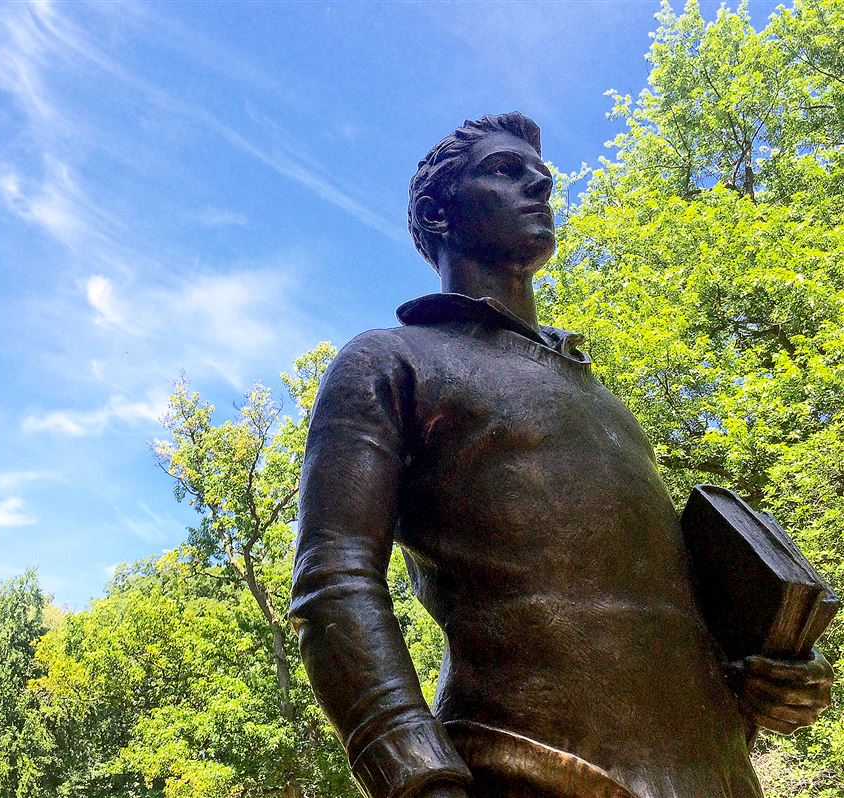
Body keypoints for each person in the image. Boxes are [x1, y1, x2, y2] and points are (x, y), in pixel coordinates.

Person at [288, 112, 833, 798]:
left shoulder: (606, 403)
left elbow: (660, 611)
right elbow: (333, 582)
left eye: (543, 178)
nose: (538, 187)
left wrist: (769, 678)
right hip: (526, 770)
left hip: (717, 776)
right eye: (505, 171)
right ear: (437, 210)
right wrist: (416, 773)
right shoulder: (392, 360)